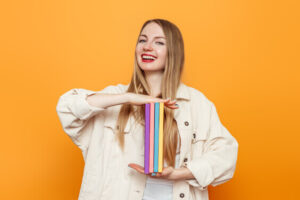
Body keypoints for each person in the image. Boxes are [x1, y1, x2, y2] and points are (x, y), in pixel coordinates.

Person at [56, 18, 239, 200]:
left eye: (159, 42)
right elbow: (67, 109)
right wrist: (128, 97)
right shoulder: (115, 97)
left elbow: (226, 156)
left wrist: (177, 174)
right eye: (142, 40)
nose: (147, 47)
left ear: (173, 52)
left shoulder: (197, 103)